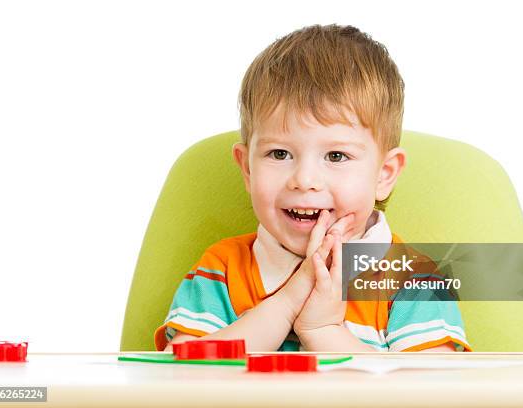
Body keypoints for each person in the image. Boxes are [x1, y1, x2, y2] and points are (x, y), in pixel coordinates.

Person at [154, 24, 471, 352]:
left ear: (383, 175)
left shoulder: (414, 281)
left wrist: (323, 331)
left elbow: (431, 392)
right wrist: (287, 304)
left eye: (336, 155)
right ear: (247, 168)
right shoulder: (222, 268)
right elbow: (181, 375)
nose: (304, 180)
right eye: (280, 153)